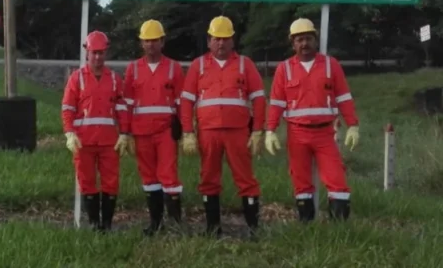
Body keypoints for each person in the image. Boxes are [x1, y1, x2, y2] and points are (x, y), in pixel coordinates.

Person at [265, 18, 360, 222]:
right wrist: (270, 130)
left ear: (315, 40)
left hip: (325, 133)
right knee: (301, 183)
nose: (304, 44)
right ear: (293, 43)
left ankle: (339, 231)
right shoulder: (284, 69)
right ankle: (306, 228)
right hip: (297, 134)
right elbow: (276, 103)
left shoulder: (330, 65)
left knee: (337, 180)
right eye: (299, 40)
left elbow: (344, 97)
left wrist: (353, 125)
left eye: (308, 38)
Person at [179, 16, 266, 237]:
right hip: (208, 132)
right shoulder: (198, 66)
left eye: (225, 38)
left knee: (245, 178)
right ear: (209, 40)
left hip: (238, 132)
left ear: (232, 40)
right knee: (208, 178)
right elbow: (186, 100)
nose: (221, 43)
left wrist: (257, 130)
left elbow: (258, 99)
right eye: (217, 38)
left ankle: (254, 229)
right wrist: (188, 131)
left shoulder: (245, 64)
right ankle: (213, 228)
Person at [61, 31, 132, 232]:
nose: (98, 57)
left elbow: (122, 109)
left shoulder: (115, 80)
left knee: (111, 183)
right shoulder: (77, 79)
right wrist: (69, 133)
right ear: (87, 53)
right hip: (83, 142)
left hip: (109, 142)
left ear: (106, 52)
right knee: (87, 182)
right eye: (94, 53)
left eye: (101, 53)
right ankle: (94, 224)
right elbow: (67, 108)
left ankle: (107, 225)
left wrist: (125, 133)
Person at [120, 19, 184, 236]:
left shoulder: (174, 68)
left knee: (169, 176)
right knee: (149, 178)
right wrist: (125, 133)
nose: (150, 45)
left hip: (166, 131)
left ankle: (175, 225)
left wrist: (186, 131)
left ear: (162, 41)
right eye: (146, 41)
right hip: (141, 132)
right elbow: (126, 104)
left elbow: (181, 102)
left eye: (154, 40)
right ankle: (155, 223)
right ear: (141, 44)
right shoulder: (132, 69)